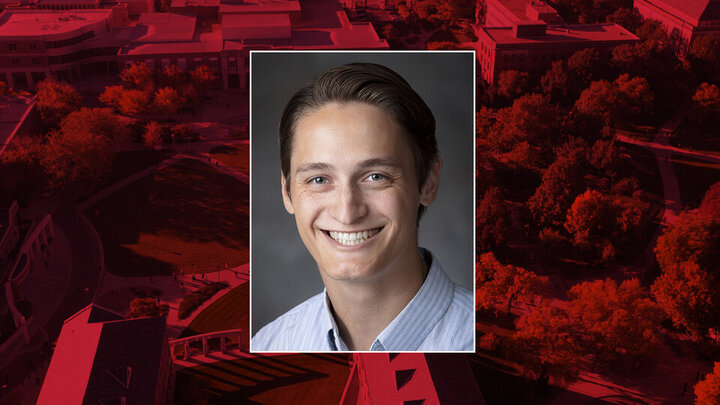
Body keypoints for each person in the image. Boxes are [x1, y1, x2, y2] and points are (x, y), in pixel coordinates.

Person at [252, 62, 473, 351]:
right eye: (319, 179)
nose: (347, 211)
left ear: (428, 182)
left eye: (375, 176)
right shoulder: (268, 345)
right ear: (287, 192)